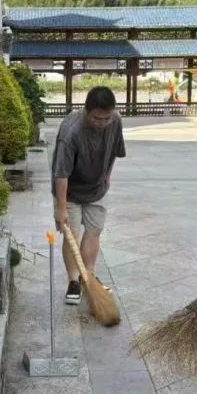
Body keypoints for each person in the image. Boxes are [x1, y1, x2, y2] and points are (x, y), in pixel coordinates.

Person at [52, 86, 126, 303]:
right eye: (96, 118)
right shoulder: (71, 131)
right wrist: (61, 209)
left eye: (106, 118)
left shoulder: (115, 121)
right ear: (86, 111)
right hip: (69, 191)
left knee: (94, 231)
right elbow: (61, 174)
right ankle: (74, 281)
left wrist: (107, 175)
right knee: (72, 235)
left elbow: (115, 151)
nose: (102, 123)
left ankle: (89, 277)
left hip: (97, 188)